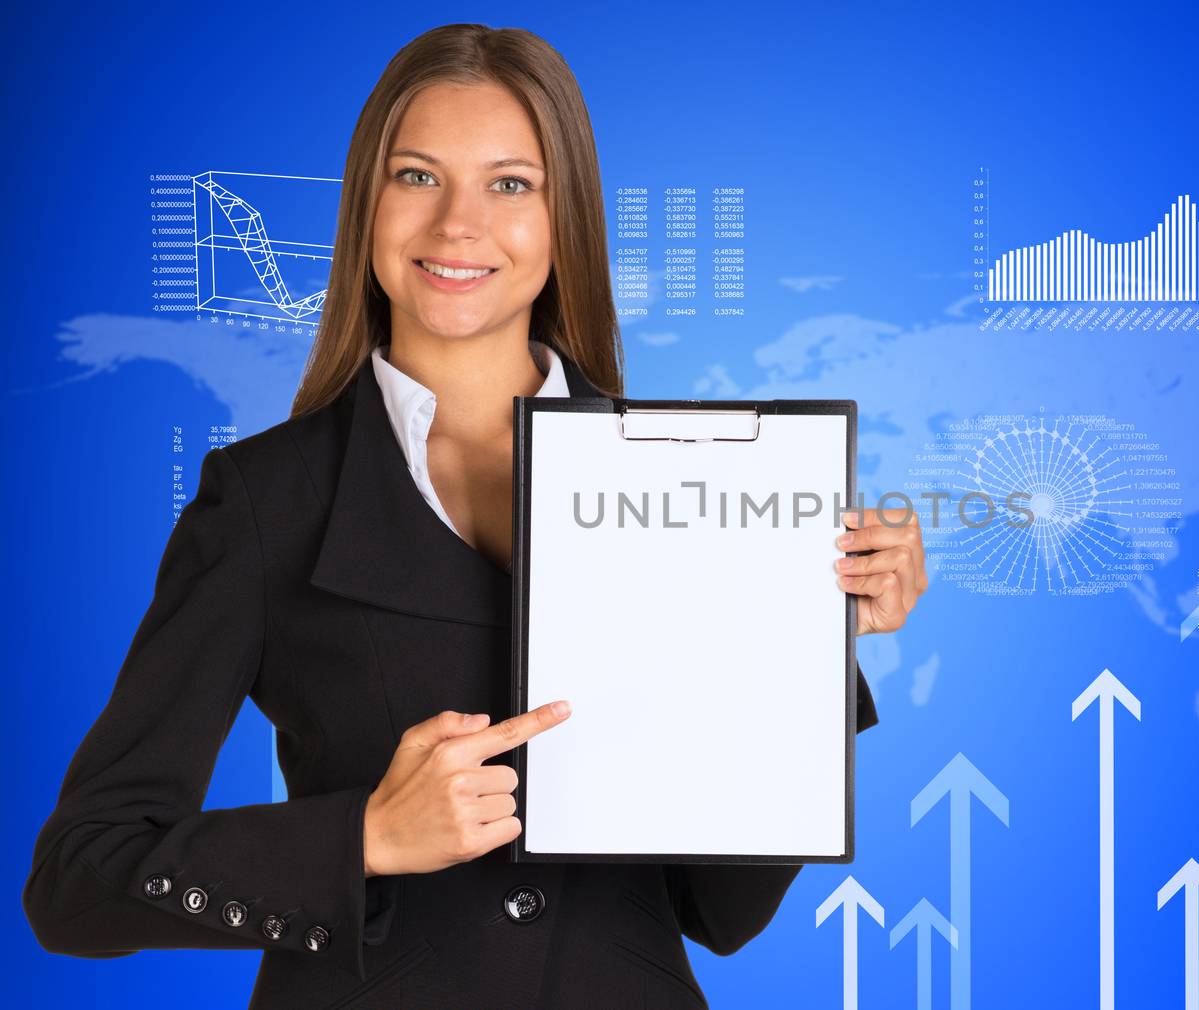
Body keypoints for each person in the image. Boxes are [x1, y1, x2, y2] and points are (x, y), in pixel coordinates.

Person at [21, 23, 927, 1009]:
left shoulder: (702, 493)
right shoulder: (265, 502)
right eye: (417, 176)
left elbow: (719, 908)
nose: (459, 224)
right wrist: (363, 836)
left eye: (509, 183)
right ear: (365, 203)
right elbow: (77, 882)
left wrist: (809, 642)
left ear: (564, 217)